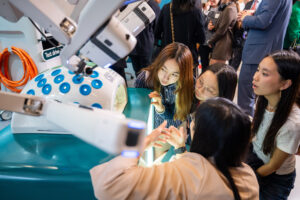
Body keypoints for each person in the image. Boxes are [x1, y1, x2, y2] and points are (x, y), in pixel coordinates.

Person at [90, 98, 259, 200]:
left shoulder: (191, 173)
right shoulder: (248, 176)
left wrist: (140, 144)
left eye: (194, 124)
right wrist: (180, 150)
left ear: (204, 135)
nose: (191, 124)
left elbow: (109, 185)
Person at [157, 63, 237, 163]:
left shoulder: (217, 123)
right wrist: (161, 109)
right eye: (201, 81)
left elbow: (202, 164)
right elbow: (177, 117)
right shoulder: (195, 98)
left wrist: (180, 148)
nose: (200, 89)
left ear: (222, 95)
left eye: (209, 90)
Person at [247, 50, 300, 199]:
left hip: (275, 178)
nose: (255, 77)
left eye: (264, 74)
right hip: (256, 159)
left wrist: (244, 176)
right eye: (258, 70)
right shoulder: (264, 98)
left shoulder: (292, 124)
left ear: (285, 84)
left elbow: (272, 166)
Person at [237, 0, 292, 116]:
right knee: (259, 98)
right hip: (264, 50)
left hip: (258, 52)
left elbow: (263, 21)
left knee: (246, 97)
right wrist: (254, 14)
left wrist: (245, 18)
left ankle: (243, 130)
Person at [134, 42, 194, 129]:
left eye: (174, 74)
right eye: (163, 69)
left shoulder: (189, 83)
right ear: (159, 63)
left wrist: (161, 109)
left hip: (175, 133)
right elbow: (138, 110)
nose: (165, 78)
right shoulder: (145, 78)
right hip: (152, 131)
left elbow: (178, 114)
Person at [154, 0, 206, 66]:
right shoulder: (196, 11)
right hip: (187, 57)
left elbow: (157, 33)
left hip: (168, 56)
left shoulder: (166, 8)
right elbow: (202, 39)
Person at [128, 0, 161, 77]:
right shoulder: (153, 5)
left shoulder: (132, 2)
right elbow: (157, 27)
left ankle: (139, 87)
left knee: (137, 72)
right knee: (147, 73)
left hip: (132, 45)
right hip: (146, 46)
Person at [207, 0, 239, 65]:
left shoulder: (230, 9)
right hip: (221, 44)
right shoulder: (229, 8)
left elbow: (222, 30)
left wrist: (211, 41)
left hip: (223, 45)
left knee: (214, 70)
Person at [198, 0, 221, 72]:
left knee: (214, 68)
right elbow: (199, 24)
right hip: (204, 42)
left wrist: (215, 27)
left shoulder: (223, 10)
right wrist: (204, 10)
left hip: (215, 43)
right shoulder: (205, 9)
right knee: (204, 65)